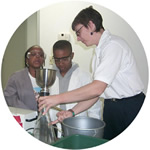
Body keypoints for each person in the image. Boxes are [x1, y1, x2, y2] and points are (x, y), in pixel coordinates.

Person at [38, 6, 145, 140]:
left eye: (78, 32)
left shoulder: (113, 46)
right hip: (111, 107)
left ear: (91, 25)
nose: (77, 39)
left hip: (130, 108)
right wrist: (71, 112)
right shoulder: (98, 52)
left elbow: (96, 88)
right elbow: (97, 93)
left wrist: (57, 98)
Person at [49, 40, 101, 137]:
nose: (60, 63)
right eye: (57, 59)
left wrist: (93, 133)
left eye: (64, 59)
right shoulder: (50, 77)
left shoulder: (85, 77)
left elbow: (94, 108)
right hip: (55, 128)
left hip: (78, 128)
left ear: (72, 56)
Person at [4, 45, 45, 111]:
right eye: (33, 54)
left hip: (46, 117)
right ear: (27, 60)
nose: (37, 57)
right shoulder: (16, 77)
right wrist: (29, 113)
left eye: (41, 55)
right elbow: (10, 98)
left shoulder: (48, 77)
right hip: (24, 117)